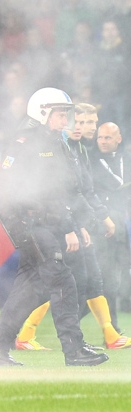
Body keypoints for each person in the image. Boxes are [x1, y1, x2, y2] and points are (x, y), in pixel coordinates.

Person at [0, 87, 108, 367]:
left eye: (66, 115)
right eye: (60, 115)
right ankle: (74, 349)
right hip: (34, 225)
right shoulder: (26, 142)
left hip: (46, 225)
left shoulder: (55, 142)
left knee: (30, 288)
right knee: (62, 280)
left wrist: (74, 225)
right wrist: (38, 225)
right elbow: (13, 190)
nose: (65, 121)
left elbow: (66, 189)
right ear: (42, 113)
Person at [16, 104, 129, 351]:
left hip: (73, 223)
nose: (84, 127)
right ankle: (26, 333)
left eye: (90, 122)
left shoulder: (77, 148)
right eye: (80, 121)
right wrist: (84, 222)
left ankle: (107, 334)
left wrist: (84, 223)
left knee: (88, 279)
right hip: (57, 225)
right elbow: (67, 192)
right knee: (63, 282)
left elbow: (80, 191)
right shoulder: (60, 148)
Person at [91, 122, 131, 338]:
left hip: (120, 227)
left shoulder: (127, 158)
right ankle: (112, 329)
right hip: (99, 226)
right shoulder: (90, 160)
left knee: (117, 277)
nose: (103, 142)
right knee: (103, 279)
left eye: (108, 138)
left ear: (119, 138)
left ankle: (113, 328)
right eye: (100, 138)